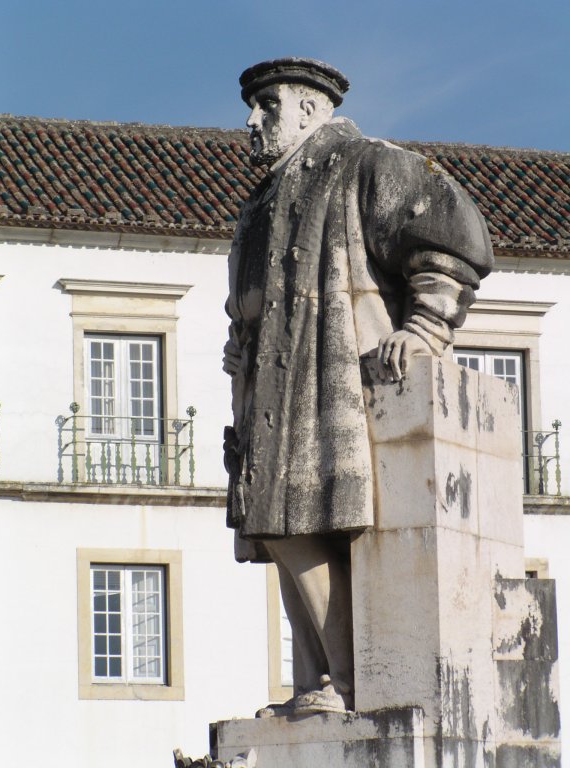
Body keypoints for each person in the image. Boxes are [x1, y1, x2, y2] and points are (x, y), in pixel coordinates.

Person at [223, 58, 493, 715]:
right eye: (254, 107)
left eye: (268, 105)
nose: (252, 122)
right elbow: (250, 303)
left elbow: (454, 237)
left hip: (335, 383)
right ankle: (316, 679)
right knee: (277, 533)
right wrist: (241, 344)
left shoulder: (367, 164)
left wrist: (425, 326)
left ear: (312, 110)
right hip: (269, 395)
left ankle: (343, 682)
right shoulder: (260, 203)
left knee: (294, 523)